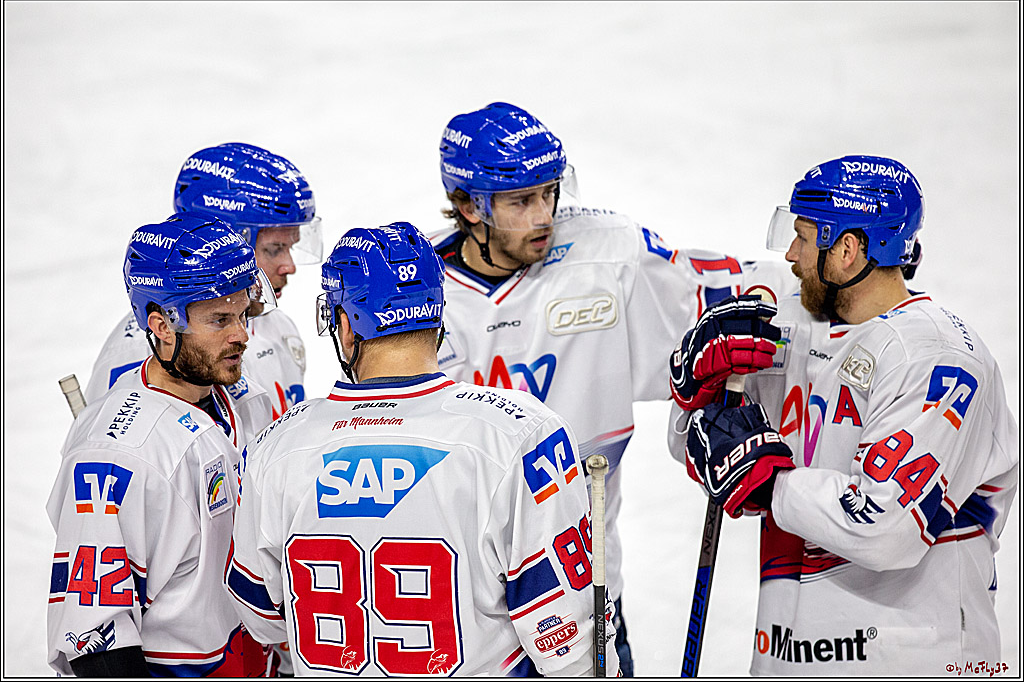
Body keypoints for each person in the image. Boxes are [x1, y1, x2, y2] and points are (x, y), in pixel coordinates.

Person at [431, 101, 796, 674]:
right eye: (521, 200)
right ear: (468, 205)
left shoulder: (609, 254)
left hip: (583, 591)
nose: (544, 214)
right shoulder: (418, 294)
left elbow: (747, 289)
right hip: (454, 603)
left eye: (549, 192)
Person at [667, 156, 1018, 675]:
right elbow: (710, 455)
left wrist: (771, 485)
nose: (789, 253)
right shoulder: (791, 330)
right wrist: (699, 392)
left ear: (848, 249)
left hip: (916, 658)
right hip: (791, 651)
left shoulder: (936, 357)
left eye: (803, 236)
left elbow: (887, 526)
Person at [225, 222, 618, 676]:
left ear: (346, 325)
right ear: (437, 315)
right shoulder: (520, 433)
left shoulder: (276, 446)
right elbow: (569, 643)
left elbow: (263, 618)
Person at [47, 213, 278, 676]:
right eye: (219, 320)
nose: (241, 336)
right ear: (162, 325)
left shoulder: (242, 397)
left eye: (242, 315)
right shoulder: (117, 454)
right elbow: (96, 642)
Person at [84, 142, 322, 419]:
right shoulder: (152, 352)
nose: (289, 266)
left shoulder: (273, 323)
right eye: (274, 249)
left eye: (290, 246)